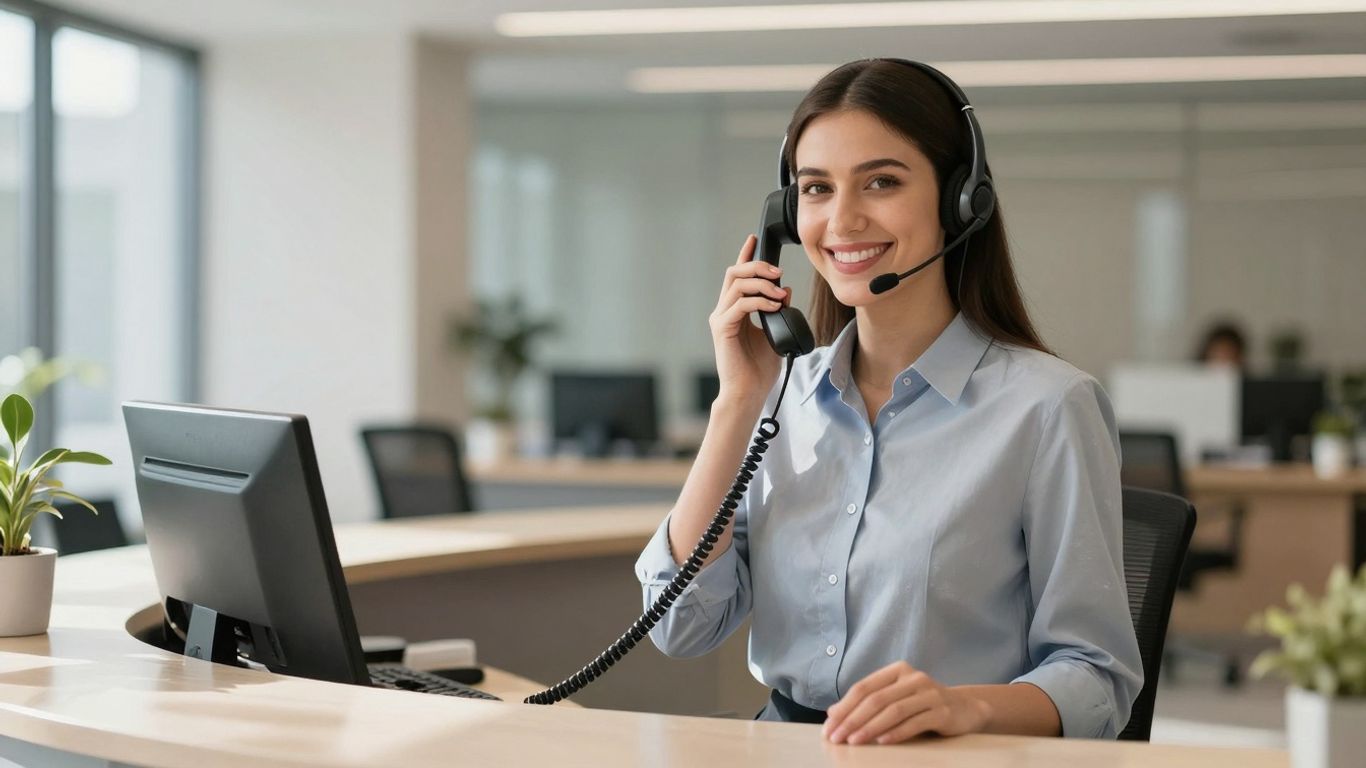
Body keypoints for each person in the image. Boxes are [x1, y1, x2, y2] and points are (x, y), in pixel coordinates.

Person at [634, 59, 1142, 744]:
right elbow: (680, 624)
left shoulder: (1048, 409)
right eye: (816, 188)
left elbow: (1098, 676)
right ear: (787, 216)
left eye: (881, 182)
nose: (842, 219)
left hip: (956, 757)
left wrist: (969, 707)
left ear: (961, 200)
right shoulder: (782, 399)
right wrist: (738, 402)